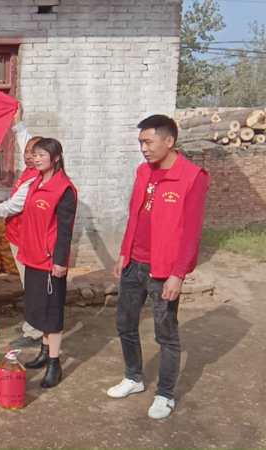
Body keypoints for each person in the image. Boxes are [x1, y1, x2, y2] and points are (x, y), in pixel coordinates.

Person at [106, 114, 209, 420]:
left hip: (163, 270)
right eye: (141, 142)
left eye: (148, 142)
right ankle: (133, 377)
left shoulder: (192, 177)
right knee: (125, 324)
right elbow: (134, 216)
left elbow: (191, 233)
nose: (144, 148)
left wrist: (178, 274)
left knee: (166, 335)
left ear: (169, 140)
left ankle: (165, 394)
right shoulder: (143, 172)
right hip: (133, 263)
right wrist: (123, 253)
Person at [17, 137, 77, 389]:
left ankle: (54, 363)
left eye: (42, 154)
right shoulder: (35, 182)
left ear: (56, 158)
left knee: (52, 314)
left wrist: (60, 261)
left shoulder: (64, 190)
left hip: (50, 262)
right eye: (35, 154)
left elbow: (65, 231)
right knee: (38, 309)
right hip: (32, 257)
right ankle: (44, 351)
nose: (36, 158)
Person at [0, 118, 45, 348]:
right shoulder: (32, 169)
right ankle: (32, 325)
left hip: (30, 241)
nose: (29, 156)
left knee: (33, 286)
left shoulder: (36, 179)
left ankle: (36, 331)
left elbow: (13, 206)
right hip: (19, 235)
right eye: (27, 152)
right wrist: (18, 124)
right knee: (29, 284)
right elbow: (26, 140)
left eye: (35, 154)